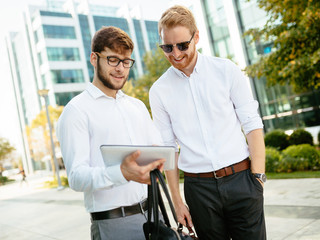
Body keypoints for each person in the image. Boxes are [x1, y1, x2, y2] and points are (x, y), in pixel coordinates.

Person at [149, 5, 267, 240]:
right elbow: (168, 149)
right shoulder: (159, 91)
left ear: (197, 37)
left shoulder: (226, 71)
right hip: (198, 190)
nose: (176, 54)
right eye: (167, 47)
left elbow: (252, 124)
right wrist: (177, 203)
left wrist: (258, 178)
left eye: (182, 45)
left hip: (242, 181)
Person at [56, 26, 165, 240]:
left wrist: (158, 160)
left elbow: (157, 151)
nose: (120, 68)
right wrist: (121, 173)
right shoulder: (76, 111)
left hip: (154, 215)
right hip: (113, 225)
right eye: (113, 59)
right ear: (94, 58)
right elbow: (76, 177)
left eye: (126, 62)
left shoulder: (136, 106)